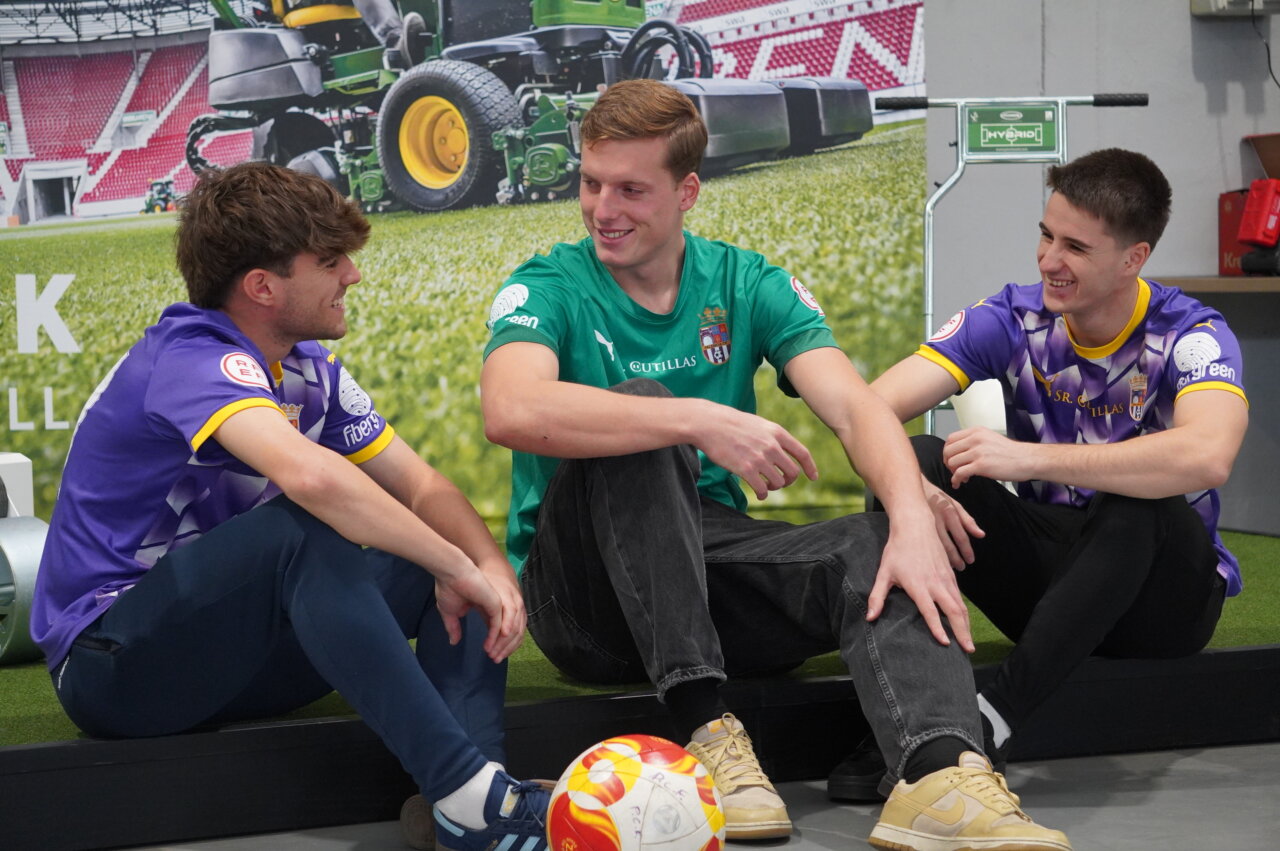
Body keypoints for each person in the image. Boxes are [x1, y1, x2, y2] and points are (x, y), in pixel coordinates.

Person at [480, 78, 1071, 851]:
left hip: (701, 565)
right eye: (591, 184)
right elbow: (511, 409)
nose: (602, 208)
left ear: (688, 191)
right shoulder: (549, 281)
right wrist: (696, 417)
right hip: (583, 601)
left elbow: (858, 406)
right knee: (642, 409)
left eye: (630, 189)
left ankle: (939, 773)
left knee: (876, 542)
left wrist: (908, 513)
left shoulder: (745, 281)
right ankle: (708, 734)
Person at [30, 162, 548, 851]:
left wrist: (486, 569)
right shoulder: (189, 356)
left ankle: (472, 799)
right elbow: (313, 480)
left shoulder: (307, 367)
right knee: (311, 524)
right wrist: (458, 561)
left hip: (230, 652)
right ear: (262, 286)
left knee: (442, 566)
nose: (352, 277)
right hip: (113, 666)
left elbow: (422, 487)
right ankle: (470, 789)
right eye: (331, 261)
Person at [860, 148, 1248, 792]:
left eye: (1074, 247)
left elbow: (1209, 455)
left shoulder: (1190, 332)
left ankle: (987, 725)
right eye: (1045, 234)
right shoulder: (1013, 316)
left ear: (1133, 259)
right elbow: (869, 410)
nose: (1048, 260)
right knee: (921, 463)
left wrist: (1030, 458)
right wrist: (907, 494)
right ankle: (912, 714)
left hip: (1162, 605)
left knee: (1138, 497)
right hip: (1055, 582)